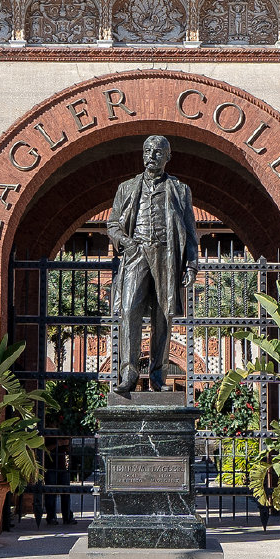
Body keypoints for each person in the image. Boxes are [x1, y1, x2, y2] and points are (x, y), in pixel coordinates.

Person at [105, 135, 197, 396]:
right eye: (147, 151)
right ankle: (128, 374)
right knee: (128, 311)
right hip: (136, 253)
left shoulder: (180, 190)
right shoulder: (127, 188)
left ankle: (158, 376)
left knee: (163, 316)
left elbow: (190, 232)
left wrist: (190, 265)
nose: (152, 155)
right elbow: (113, 223)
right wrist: (126, 241)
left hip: (167, 255)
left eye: (158, 152)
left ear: (168, 157)